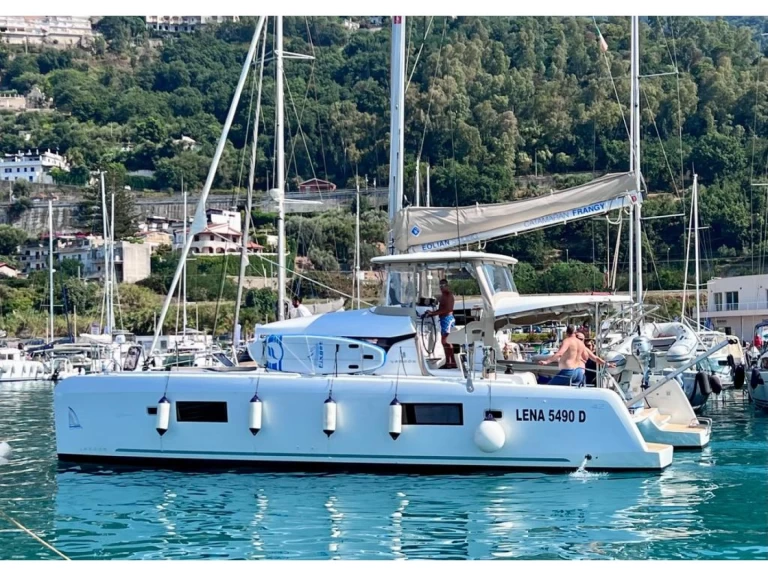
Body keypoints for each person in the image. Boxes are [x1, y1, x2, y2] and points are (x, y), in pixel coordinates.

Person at [539, 325, 610, 386]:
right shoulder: (581, 343)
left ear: (566, 332)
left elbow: (560, 353)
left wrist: (546, 361)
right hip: (579, 372)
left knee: (550, 388)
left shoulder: (567, 341)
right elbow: (595, 358)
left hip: (568, 372)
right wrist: (607, 364)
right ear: (575, 332)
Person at [426, 278, 457, 369]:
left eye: (443, 285)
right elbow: (441, 307)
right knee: (446, 341)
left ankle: (450, 362)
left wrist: (433, 313)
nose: (441, 287)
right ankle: (450, 362)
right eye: (440, 285)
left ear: (447, 286)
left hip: (447, 319)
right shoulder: (443, 295)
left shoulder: (448, 295)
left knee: (445, 341)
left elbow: (447, 309)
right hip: (444, 319)